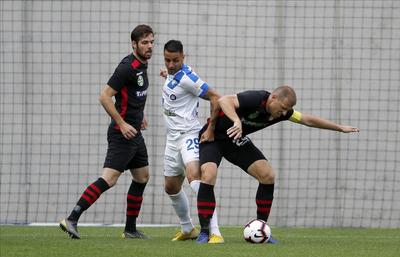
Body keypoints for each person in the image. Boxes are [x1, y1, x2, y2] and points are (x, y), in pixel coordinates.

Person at [196, 86, 360, 244]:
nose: (282, 113)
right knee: (209, 174)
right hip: (212, 139)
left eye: (285, 110)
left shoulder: (283, 112)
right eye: (281, 108)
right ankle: (204, 232)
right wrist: (236, 121)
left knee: (268, 176)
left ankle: (261, 230)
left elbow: (308, 120)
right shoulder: (256, 99)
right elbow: (224, 100)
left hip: (235, 141)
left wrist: (339, 128)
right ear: (272, 98)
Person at [59, 24, 155, 239]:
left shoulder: (142, 65)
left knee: (142, 177)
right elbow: (104, 96)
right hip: (122, 135)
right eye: (145, 43)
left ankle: (130, 229)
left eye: (151, 42)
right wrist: (122, 123)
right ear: (134, 44)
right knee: (110, 179)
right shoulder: (127, 67)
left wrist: (140, 117)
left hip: (135, 133)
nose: (149, 47)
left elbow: (130, 96)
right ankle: (72, 218)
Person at [160, 40, 224, 243]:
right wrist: (168, 75)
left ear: (183, 57)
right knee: (171, 187)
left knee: (196, 179)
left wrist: (211, 128)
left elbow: (216, 97)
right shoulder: (173, 74)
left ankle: (214, 231)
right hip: (172, 138)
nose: (170, 65)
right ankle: (188, 228)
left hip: (189, 135)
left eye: (175, 61)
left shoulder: (187, 78)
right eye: (167, 60)